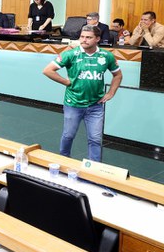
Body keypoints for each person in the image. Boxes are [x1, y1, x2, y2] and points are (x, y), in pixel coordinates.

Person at [43, 25, 122, 162]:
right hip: (73, 103)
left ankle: (94, 168)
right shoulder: (70, 54)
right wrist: (66, 82)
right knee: (68, 135)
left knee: (95, 139)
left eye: (89, 37)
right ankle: (64, 160)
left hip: (95, 105)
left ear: (97, 39)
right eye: (82, 37)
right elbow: (48, 70)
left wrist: (111, 93)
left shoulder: (107, 56)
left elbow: (118, 75)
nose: (84, 40)